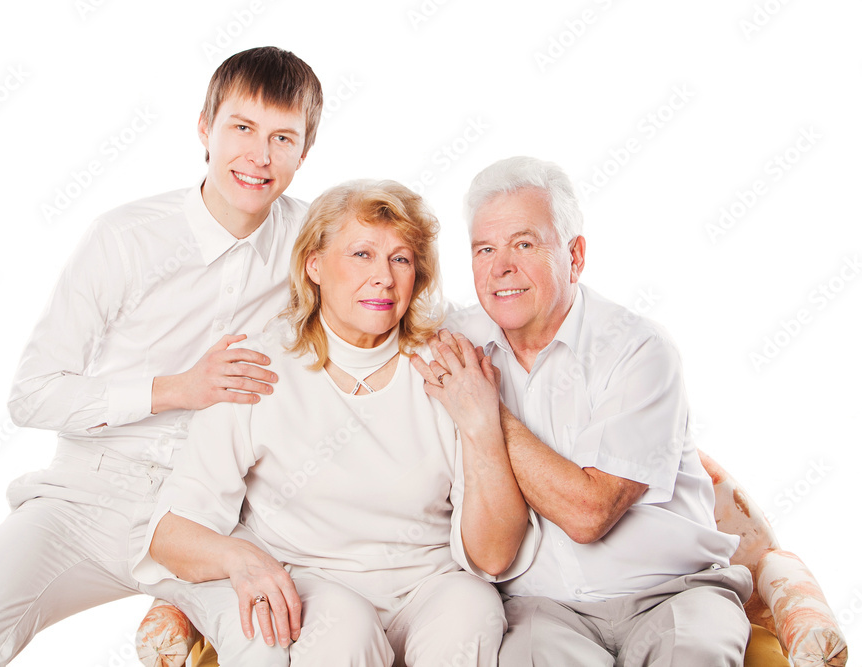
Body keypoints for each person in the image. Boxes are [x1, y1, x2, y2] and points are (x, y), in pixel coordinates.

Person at [0, 46, 323, 666]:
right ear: (204, 129)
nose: (259, 156)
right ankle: (183, 618)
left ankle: (185, 612)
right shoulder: (125, 237)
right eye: (242, 128)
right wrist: (177, 389)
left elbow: (395, 290)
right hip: (84, 498)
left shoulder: (311, 243)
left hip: (210, 512)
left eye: (283, 138)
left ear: (305, 151)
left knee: (271, 648)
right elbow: (32, 393)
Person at [131, 180, 533, 665]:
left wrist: (482, 426)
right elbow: (172, 529)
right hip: (316, 589)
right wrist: (242, 560)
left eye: (401, 259)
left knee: (472, 607)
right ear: (314, 265)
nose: (383, 277)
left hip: (428, 587)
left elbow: (492, 557)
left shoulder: (448, 364)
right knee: (343, 626)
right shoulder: (259, 366)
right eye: (361, 254)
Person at [413, 156, 753, 666]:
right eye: (485, 249)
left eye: (524, 244)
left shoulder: (638, 350)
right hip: (541, 609)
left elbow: (590, 512)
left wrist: (486, 411)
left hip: (675, 593)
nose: (501, 267)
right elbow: (362, 323)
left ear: (575, 256)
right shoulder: (456, 344)